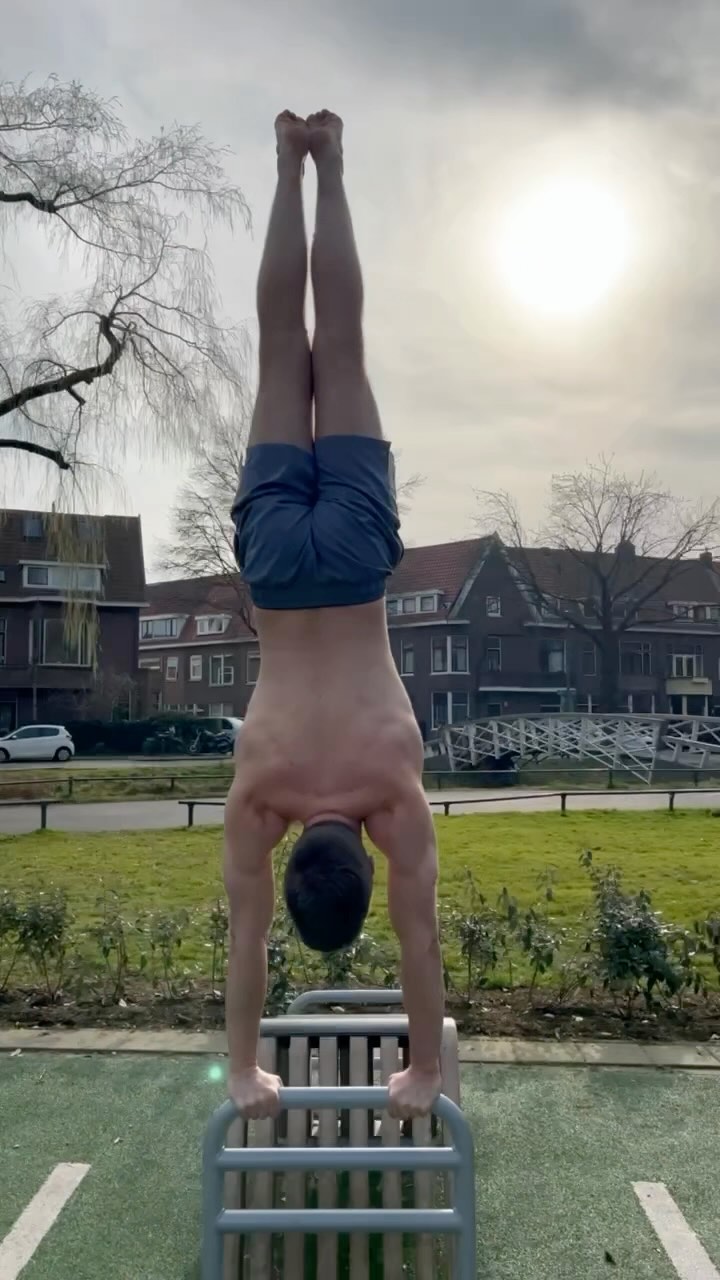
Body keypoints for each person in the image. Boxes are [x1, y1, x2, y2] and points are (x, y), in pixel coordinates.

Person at [224, 110, 444, 1122]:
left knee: (339, 344)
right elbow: (242, 932)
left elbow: (419, 938)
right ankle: (285, 164)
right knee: (281, 350)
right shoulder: (257, 796)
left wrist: (424, 1068)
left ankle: (333, 162)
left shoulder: (392, 792)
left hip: (355, 568)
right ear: (294, 858)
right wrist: (242, 1069)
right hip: (276, 572)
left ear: (364, 860)